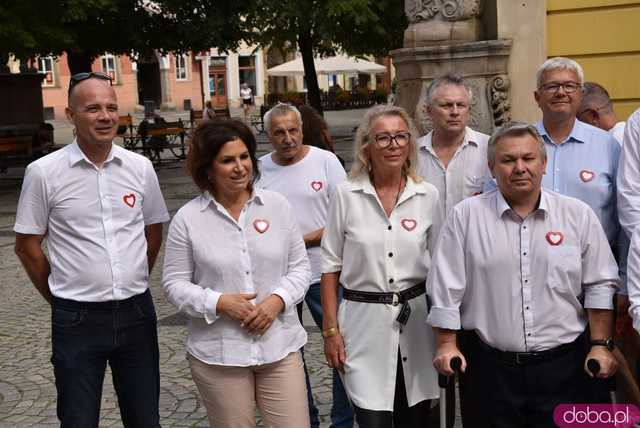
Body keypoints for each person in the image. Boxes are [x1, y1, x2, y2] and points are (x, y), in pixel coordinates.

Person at [428, 121, 619, 428]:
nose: (519, 168)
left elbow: (599, 283)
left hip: (565, 367)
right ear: (492, 168)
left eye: (528, 158)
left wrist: (600, 345)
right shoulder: (465, 216)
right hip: (491, 370)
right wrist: (447, 344)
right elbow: (446, 288)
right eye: (508, 160)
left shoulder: (577, 215)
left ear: (543, 164)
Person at [14, 71, 169, 427]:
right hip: (77, 319)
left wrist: (135, 275)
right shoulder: (44, 173)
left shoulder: (140, 168)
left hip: (137, 314)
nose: (105, 116)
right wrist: (60, 296)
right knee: (78, 419)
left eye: (111, 107)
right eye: (93, 108)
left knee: (145, 418)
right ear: (70, 115)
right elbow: (27, 247)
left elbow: (153, 230)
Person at [162, 119, 311, 427]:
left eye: (244, 157)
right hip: (219, 353)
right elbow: (174, 283)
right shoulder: (188, 219)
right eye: (227, 160)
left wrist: (276, 301)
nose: (240, 167)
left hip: (279, 346)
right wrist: (218, 302)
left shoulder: (277, 206)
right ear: (207, 168)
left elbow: (300, 268)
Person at [322, 105, 440, 427]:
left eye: (401, 136)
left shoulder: (427, 195)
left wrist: (446, 335)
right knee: (372, 417)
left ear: (410, 144)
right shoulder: (345, 194)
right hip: (362, 324)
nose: (393, 145)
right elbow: (330, 267)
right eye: (383, 137)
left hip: (417, 324)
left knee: (416, 415)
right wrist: (330, 330)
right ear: (367, 146)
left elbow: (442, 266)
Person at [258, 103, 352, 428]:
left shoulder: (325, 162)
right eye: (279, 133)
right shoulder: (258, 171)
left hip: (324, 272)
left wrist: (299, 241)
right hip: (278, 282)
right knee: (289, 357)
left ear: (301, 129)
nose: (287, 139)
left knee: (342, 348)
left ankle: (342, 420)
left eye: (293, 130)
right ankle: (305, 418)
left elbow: (345, 220)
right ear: (268, 135)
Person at [416, 73, 490, 219]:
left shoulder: (489, 149)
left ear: (469, 111)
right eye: (446, 105)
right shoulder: (412, 155)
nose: (455, 112)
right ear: (429, 111)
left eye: (461, 105)